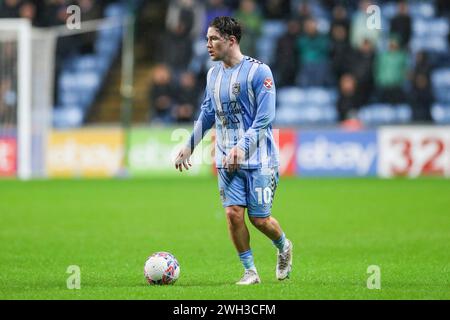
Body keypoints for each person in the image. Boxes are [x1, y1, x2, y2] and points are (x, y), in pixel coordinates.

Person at [174, 16, 292, 285]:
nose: (208, 44)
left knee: (259, 219)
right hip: (227, 158)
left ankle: (284, 246)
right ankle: (250, 271)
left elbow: (264, 120)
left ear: (231, 41)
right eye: (206, 39)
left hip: (259, 158)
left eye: (213, 38)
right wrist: (189, 145)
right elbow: (207, 114)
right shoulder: (212, 74)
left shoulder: (260, 72)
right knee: (232, 214)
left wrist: (243, 148)